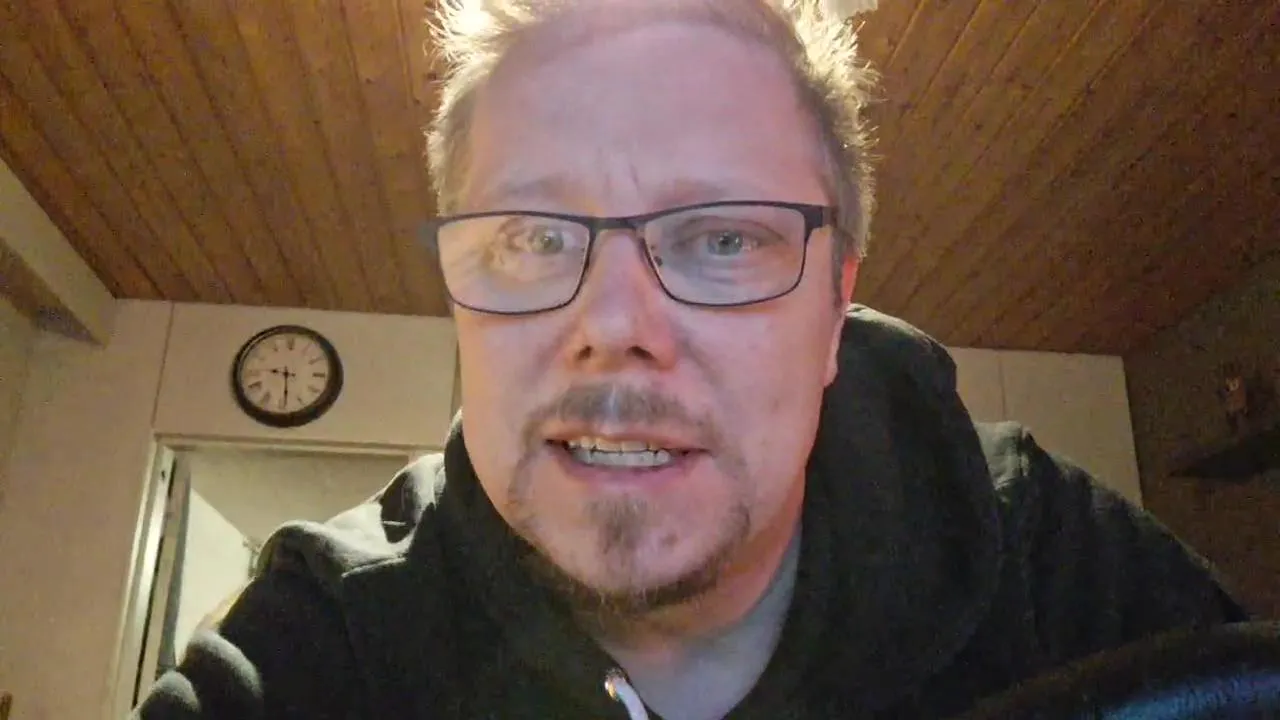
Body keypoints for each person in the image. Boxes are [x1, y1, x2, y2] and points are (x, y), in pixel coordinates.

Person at [136, 0, 1249, 717]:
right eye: (532, 237)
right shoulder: (316, 651)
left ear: (835, 308)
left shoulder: (1048, 561)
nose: (615, 323)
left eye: (722, 238)